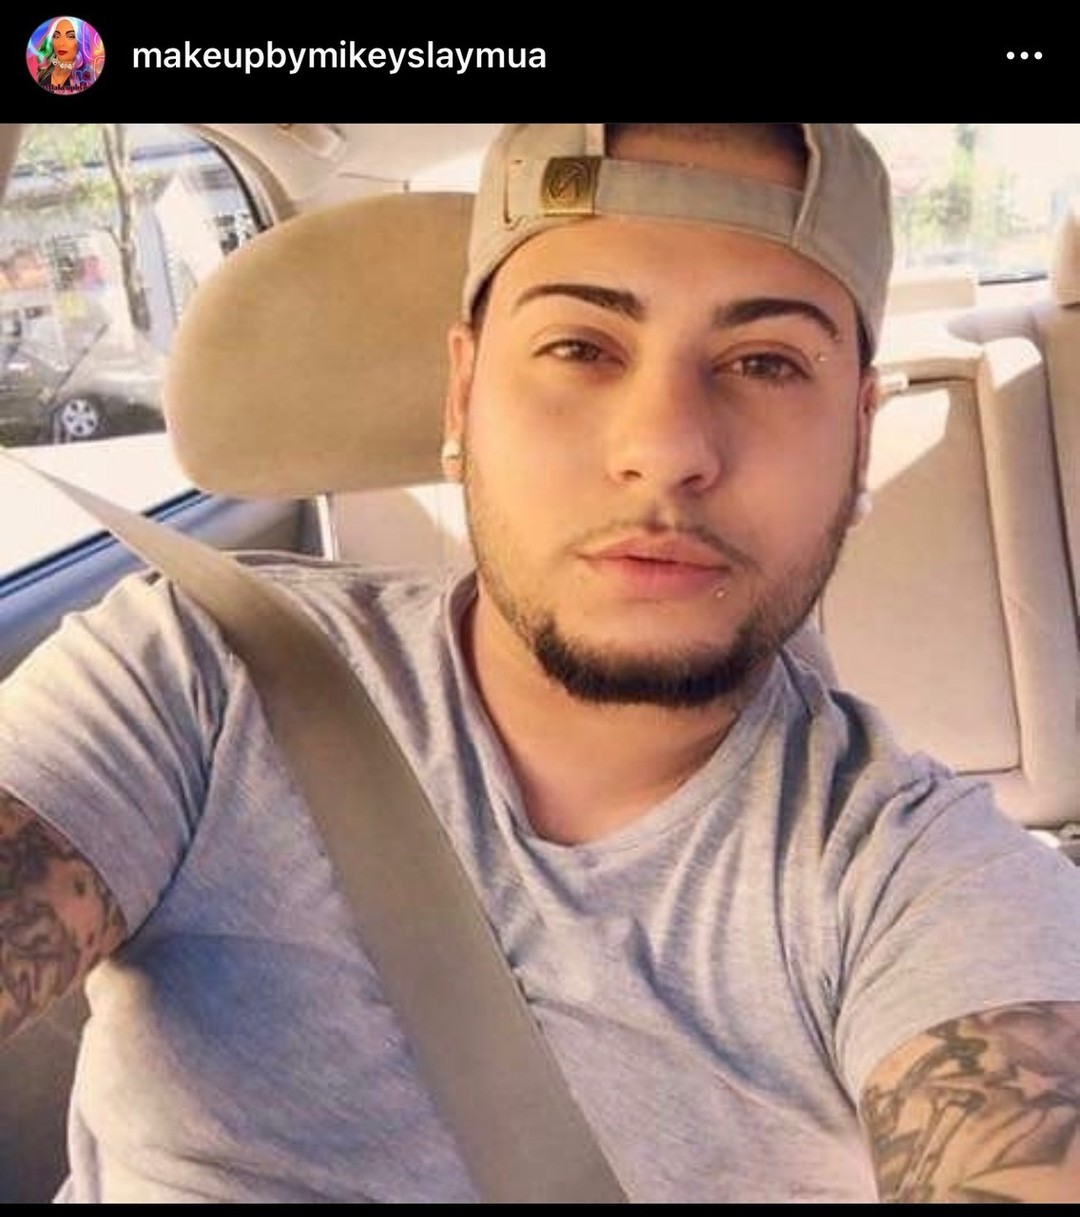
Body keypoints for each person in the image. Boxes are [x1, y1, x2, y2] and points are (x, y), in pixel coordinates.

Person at [1, 123, 1079, 1203]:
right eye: (580, 348)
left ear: (859, 435)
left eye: (765, 362)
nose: (664, 447)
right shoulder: (194, 676)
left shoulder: (923, 880)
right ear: (462, 394)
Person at [30, 17, 99, 95]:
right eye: (56, 36)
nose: (61, 43)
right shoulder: (43, 73)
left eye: (70, 36)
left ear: (81, 41)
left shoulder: (89, 77)